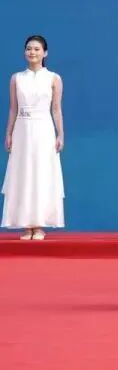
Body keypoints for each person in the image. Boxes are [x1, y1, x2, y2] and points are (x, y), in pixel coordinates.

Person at [3, 35, 64, 240]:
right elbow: (13, 109)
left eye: (37, 49)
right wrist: (9, 132)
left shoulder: (53, 78)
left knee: (41, 173)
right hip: (22, 129)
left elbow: (56, 109)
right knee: (24, 173)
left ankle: (38, 225)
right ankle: (26, 225)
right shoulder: (16, 78)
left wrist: (60, 134)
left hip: (44, 129)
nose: (32, 52)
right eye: (29, 48)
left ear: (45, 53)